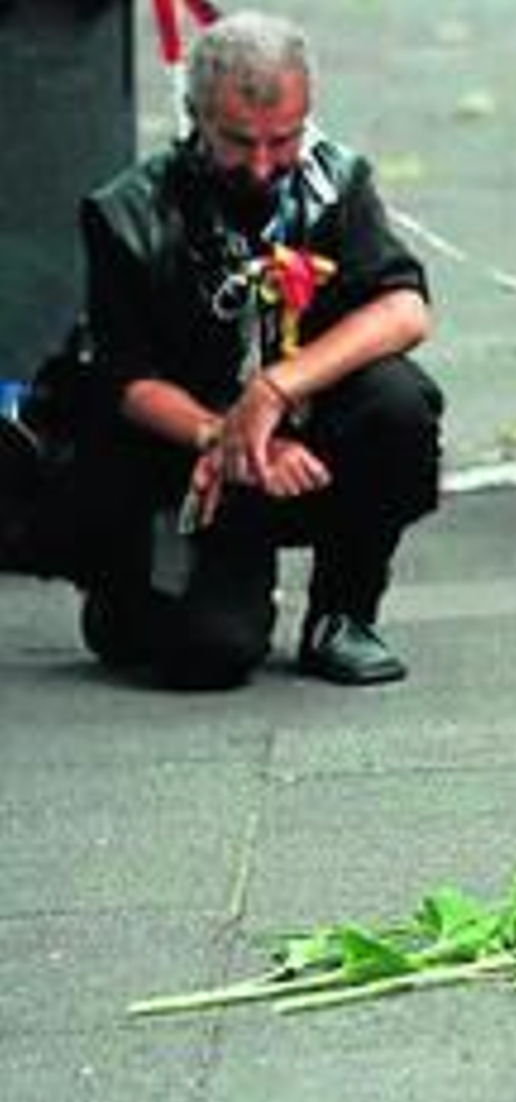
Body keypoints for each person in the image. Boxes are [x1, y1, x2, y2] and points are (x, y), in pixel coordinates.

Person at [52, 9, 443, 690]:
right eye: (239, 142)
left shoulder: (337, 184)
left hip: (308, 441)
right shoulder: (126, 214)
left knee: (399, 401)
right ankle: (130, 599)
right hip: (193, 457)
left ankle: (343, 613)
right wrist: (229, 436)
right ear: (196, 116)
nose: (263, 165)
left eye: (283, 140)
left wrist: (275, 390)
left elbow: (405, 308)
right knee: (211, 654)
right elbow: (124, 379)